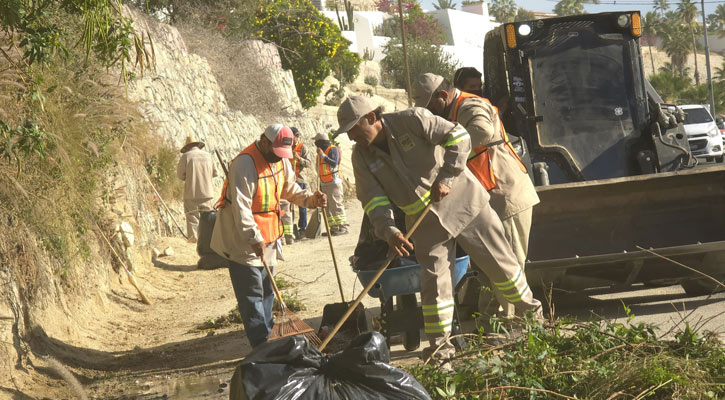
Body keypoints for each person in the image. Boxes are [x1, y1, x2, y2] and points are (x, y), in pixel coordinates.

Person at [335, 95, 541, 363]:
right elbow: (373, 199)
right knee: (434, 289)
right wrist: (389, 231)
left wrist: (447, 176)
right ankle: (440, 353)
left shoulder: (412, 120)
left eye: (353, 129)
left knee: (503, 268)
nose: (351, 138)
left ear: (371, 118)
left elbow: (459, 137)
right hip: (424, 225)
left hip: (465, 204)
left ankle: (534, 320)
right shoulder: (361, 157)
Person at [413, 73, 540, 319]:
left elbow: (482, 132)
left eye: (430, 107)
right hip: (487, 195)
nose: (429, 114)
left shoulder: (470, 106)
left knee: (508, 264)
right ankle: (497, 322)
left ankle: (512, 325)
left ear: (442, 96)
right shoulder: (451, 111)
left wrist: (443, 153)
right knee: (494, 266)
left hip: (504, 193)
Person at [210, 124, 327, 348]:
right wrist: (254, 238)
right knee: (252, 295)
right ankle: (262, 346)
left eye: (283, 154)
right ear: (264, 142)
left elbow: (289, 189)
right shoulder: (244, 163)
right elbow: (241, 208)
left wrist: (311, 199)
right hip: (243, 239)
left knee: (266, 292)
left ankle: (268, 340)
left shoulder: (281, 160)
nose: (278, 159)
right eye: (275, 153)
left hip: (270, 236)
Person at [177, 135, 217, 243]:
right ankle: (208, 243)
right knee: (208, 219)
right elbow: (215, 173)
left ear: (188, 146)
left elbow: (180, 175)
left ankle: (194, 243)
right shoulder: (208, 156)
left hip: (191, 193)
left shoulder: (186, 156)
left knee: (192, 219)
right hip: (207, 194)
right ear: (197, 145)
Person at [279, 127, 313, 244]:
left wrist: (299, 158)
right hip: (289, 180)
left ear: (297, 136)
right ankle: (290, 230)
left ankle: (302, 229)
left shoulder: (303, 147)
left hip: (300, 180)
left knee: (302, 206)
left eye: (293, 137)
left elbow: (308, 163)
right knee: (288, 207)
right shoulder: (286, 147)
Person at [314, 131, 349, 235]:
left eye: (316, 141)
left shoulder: (332, 149)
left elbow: (334, 163)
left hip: (333, 182)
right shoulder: (319, 152)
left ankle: (343, 227)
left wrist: (323, 155)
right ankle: (333, 228)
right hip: (324, 183)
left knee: (336, 204)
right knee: (328, 206)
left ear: (321, 142)